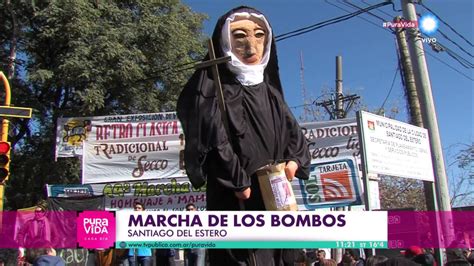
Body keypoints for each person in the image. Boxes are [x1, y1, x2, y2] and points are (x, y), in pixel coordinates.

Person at [177, 5, 311, 265]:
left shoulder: (271, 92)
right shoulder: (216, 89)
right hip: (237, 194)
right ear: (225, 40)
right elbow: (212, 138)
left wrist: (294, 160)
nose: (251, 46)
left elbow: (294, 134)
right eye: (240, 36)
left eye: (258, 35)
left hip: (275, 194)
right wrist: (236, 180)